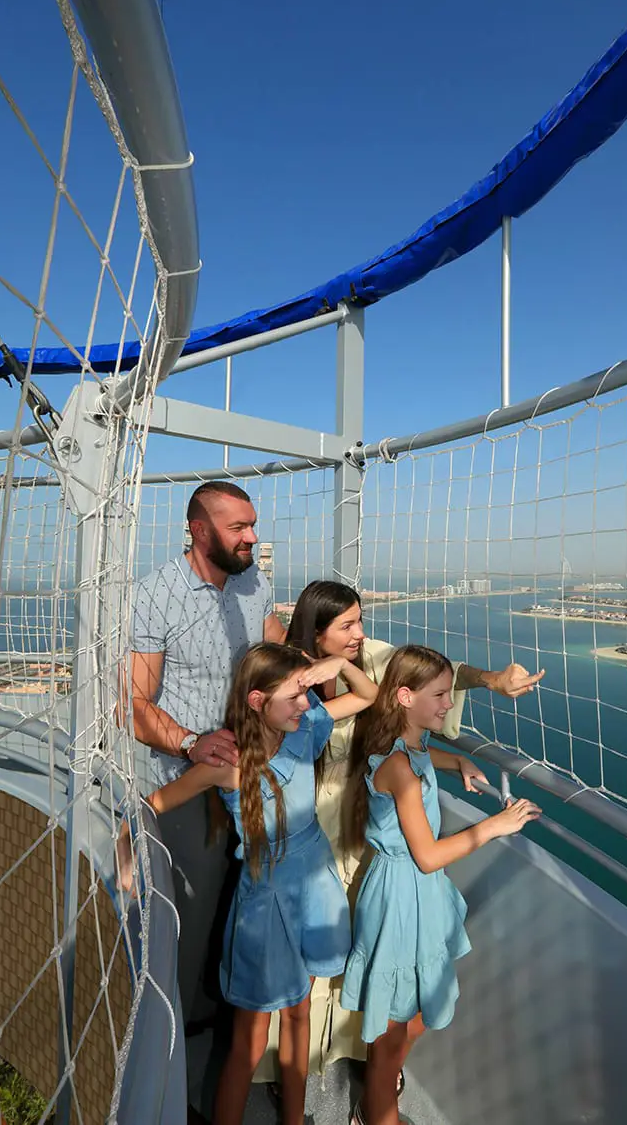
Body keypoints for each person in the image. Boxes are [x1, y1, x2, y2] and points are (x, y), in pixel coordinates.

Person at [259, 580, 544, 1091]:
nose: (360, 633)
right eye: (347, 625)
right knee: (315, 959)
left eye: (360, 620)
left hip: (365, 826)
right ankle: (294, 1070)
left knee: (359, 957)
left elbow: (432, 676)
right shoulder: (289, 677)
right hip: (311, 828)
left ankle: (368, 1067)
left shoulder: (366, 659)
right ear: (315, 630)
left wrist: (493, 681)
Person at [120, 642, 379, 1125]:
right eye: (295, 695)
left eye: (306, 694)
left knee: (302, 1014)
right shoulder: (228, 763)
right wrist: (124, 853)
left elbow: (367, 696)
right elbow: (151, 803)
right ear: (257, 701)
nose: (308, 704)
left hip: (314, 890)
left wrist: (338, 665)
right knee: (250, 1040)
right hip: (267, 907)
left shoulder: (303, 729)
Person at [341, 644, 540, 1125]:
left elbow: (422, 757)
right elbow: (428, 856)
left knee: (414, 1015)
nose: (449, 704)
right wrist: (495, 826)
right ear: (405, 696)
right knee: (392, 1031)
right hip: (402, 900)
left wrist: (457, 763)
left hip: (416, 898)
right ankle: (376, 1111)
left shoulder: (407, 745)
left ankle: (381, 1088)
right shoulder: (401, 770)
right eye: (441, 695)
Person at [130, 481, 286, 1042]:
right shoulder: (154, 595)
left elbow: (278, 655)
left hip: (249, 774)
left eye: (252, 525)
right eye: (238, 527)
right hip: (188, 780)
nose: (252, 537)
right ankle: (172, 1040)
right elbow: (134, 705)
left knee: (235, 894)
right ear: (199, 531)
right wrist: (193, 743)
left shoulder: (252, 583)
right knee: (189, 915)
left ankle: (217, 1012)